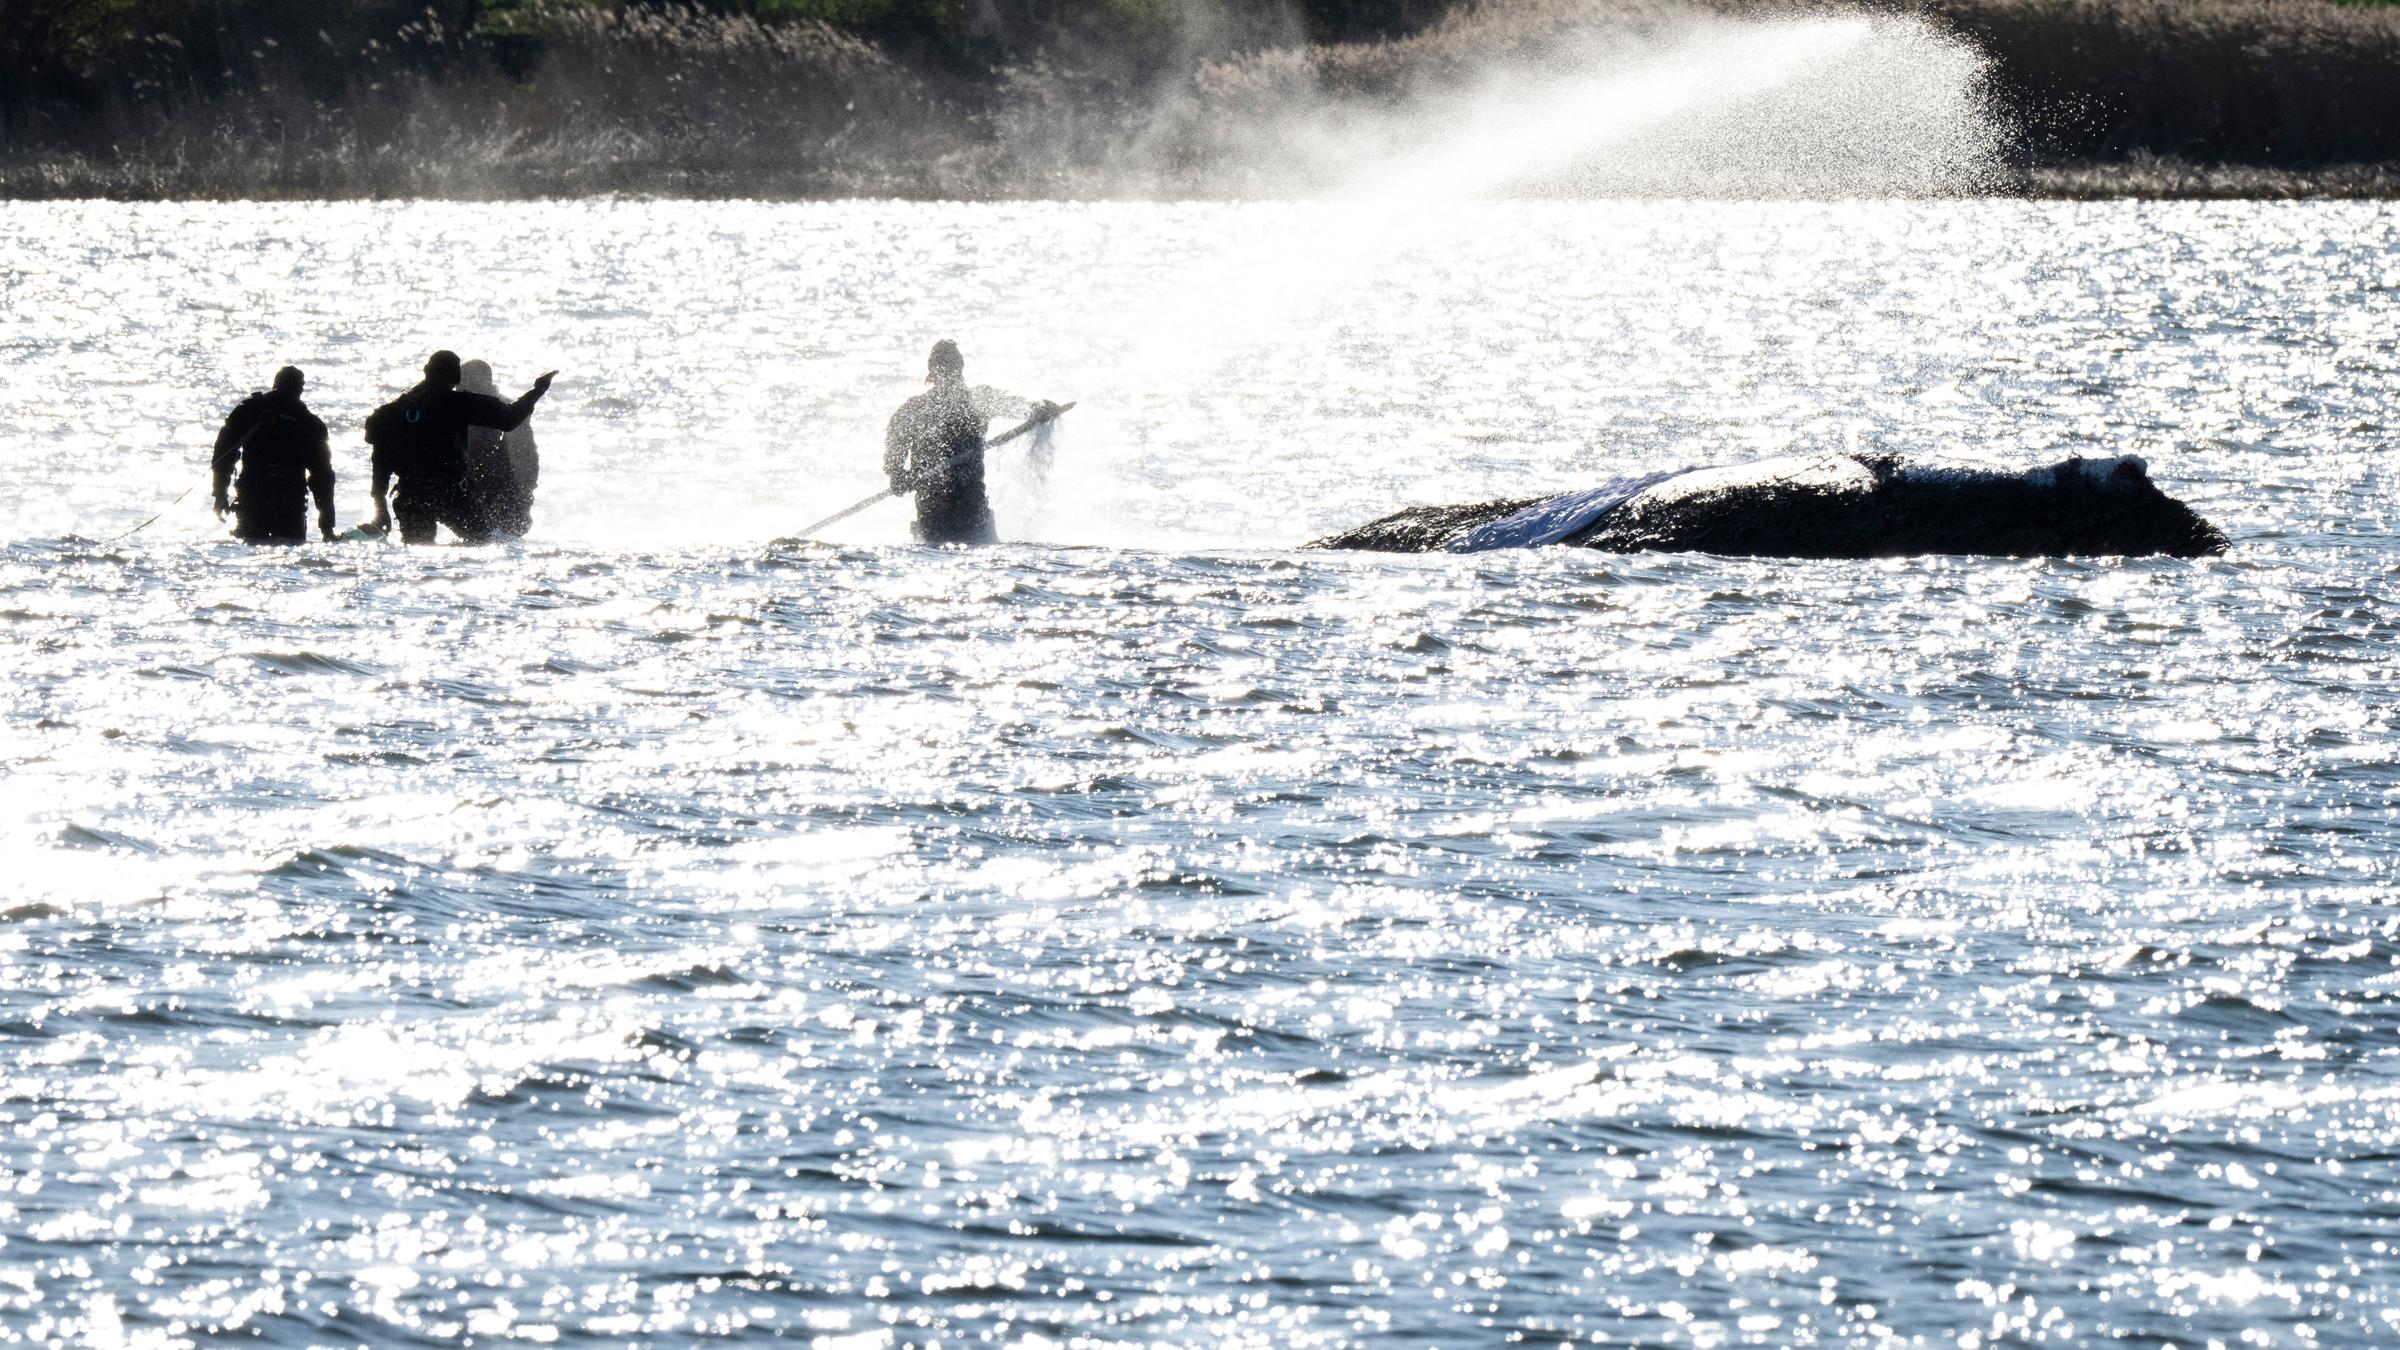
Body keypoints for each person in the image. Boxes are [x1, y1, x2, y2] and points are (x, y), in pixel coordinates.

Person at [364, 350, 554, 544]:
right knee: (484, 545)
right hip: (452, 496)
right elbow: (509, 419)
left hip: (411, 496)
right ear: (457, 378)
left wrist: (379, 505)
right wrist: (538, 390)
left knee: (418, 554)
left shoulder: (393, 411)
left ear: (426, 371)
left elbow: (380, 459)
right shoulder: (458, 404)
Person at [884, 340, 1062, 546]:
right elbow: (894, 454)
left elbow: (1020, 407)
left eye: (951, 366)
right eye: (945, 366)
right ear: (934, 370)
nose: (949, 372)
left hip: (970, 506)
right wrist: (898, 476)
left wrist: (1040, 408)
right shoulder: (915, 410)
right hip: (934, 512)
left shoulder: (977, 401)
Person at [211, 365, 335, 544]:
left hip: (253, 498)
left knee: (249, 553)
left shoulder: (249, 410)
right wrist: (327, 527)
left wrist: (220, 492)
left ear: (275, 384)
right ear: (300, 390)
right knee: (289, 558)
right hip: (290, 503)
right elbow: (323, 477)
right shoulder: (310, 423)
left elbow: (223, 453)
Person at [458, 359, 540, 539]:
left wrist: (526, 493)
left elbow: (527, 457)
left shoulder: (509, 409)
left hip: (507, 489)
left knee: (505, 537)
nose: (460, 389)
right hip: (471, 487)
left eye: (465, 383)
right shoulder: (459, 408)